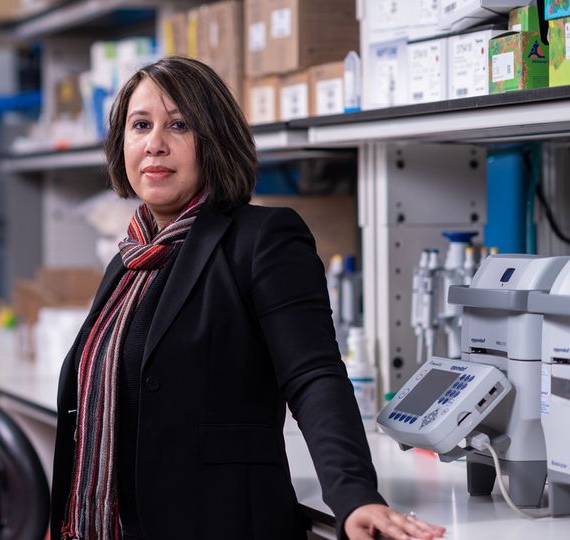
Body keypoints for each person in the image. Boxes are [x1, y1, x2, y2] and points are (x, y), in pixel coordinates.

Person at [49, 56, 447, 540]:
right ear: (122, 145)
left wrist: (355, 495)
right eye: (140, 125)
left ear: (214, 140)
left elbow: (312, 374)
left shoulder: (262, 240)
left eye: (179, 125)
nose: (155, 143)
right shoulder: (129, 260)